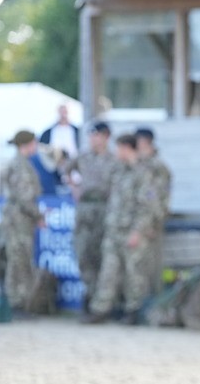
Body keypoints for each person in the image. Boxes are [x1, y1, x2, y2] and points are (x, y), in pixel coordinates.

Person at [84, 134, 153, 324]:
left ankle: (133, 311)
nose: (115, 152)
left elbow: (146, 206)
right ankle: (100, 309)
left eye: (118, 148)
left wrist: (137, 231)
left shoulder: (143, 173)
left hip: (131, 231)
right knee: (108, 270)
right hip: (113, 229)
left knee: (134, 273)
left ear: (126, 148)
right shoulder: (118, 171)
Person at [60, 122, 117, 310]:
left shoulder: (114, 159)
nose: (93, 139)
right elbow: (64, 169)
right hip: (85, 208)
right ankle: (90, 292)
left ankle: (102, 300)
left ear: (106, 137)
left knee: (103, 253)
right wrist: (74, 187)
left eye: (97, 135)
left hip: (105, 208)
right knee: (83, 251)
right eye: (91, 135)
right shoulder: (83, 157)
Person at [1, 130, 45, 313]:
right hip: (19, 220)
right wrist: (39, 216)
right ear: (26, 144)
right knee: (18, 262)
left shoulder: (18, 164)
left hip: (15, 218)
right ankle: (16, 303)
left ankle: (15, 303)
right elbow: (25, 197)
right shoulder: (21, 166)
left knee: (16, 260)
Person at [135, 128, 172, 298]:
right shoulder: (136, 165)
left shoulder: (158, 167)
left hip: (151, 225)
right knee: (136, 268)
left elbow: (160, 199)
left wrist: (154, 224)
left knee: (152, 267)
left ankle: (152, 304)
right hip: (135, 224)